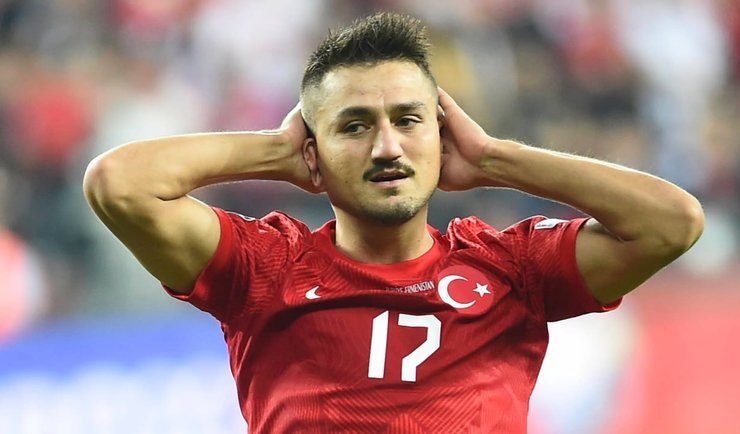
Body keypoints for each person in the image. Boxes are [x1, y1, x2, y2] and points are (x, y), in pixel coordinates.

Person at [83, 12, 704, 434]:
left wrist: (494, 158)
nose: (387, 147)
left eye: (408, 120)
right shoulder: (263, 267)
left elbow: (671, 223)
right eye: (354, 126)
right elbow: (119, 184)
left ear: (442, 135)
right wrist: (275, 151)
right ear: (313, 152)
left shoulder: (511, 268)